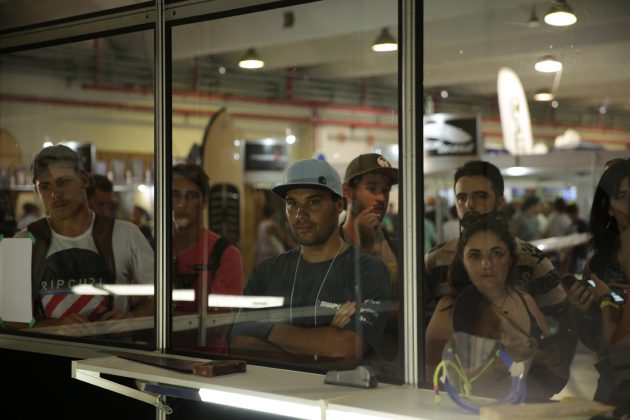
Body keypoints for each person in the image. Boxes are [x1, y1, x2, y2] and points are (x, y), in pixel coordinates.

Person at [229, 158, 391, 367]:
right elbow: (239, 343)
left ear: (339, 205)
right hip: (268, 394)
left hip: (339, 397)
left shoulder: (368, 271)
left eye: (314, 202)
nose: (300, 214)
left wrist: (265, 327)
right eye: (292, 203)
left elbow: (344, 349)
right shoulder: (266, 271)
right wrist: (323, 343)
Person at [12, 144, 154, 336]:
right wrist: (52, 327)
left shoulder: (125, 234)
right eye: (45, 187)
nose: (55, 195)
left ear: (85, 180)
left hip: (111, 358)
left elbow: (163, 297)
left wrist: (131, 319)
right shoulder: (22, 243)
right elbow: (9, 320)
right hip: (45, 359)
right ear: (37, 192)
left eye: (63, 182)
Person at [426, 212, 569, 402]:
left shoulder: (526, 300)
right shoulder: (450, 310)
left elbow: (556, 370)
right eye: (475, 256)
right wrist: (500, 364)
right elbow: (433, 381)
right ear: (463, 261)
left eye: (496, 254)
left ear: (510, 258)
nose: (486, 264)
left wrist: (537, 357)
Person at [171, 162, 243, 354]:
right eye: (175, 195)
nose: (182, 204)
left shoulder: (225, 253)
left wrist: (157, 317)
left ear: (204, 202)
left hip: (207, 363)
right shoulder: (151, 248)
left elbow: (217, 325)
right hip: (155, 359)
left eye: (191, 196)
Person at [579, 158, 630, 405]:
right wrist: (579, 311)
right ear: (608, 207)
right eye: (622, 196)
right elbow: (595, 341)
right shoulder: (598, 265)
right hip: (614, 388)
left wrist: (608, 302)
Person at [340, 153, 399, 364]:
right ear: (347, 191)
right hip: (343, 366)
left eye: (385, 190)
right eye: (372, 189)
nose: (381, 198)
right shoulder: (329, 247)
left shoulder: (399, 248)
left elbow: (415, 308)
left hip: (393, 368)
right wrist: (363, 247)